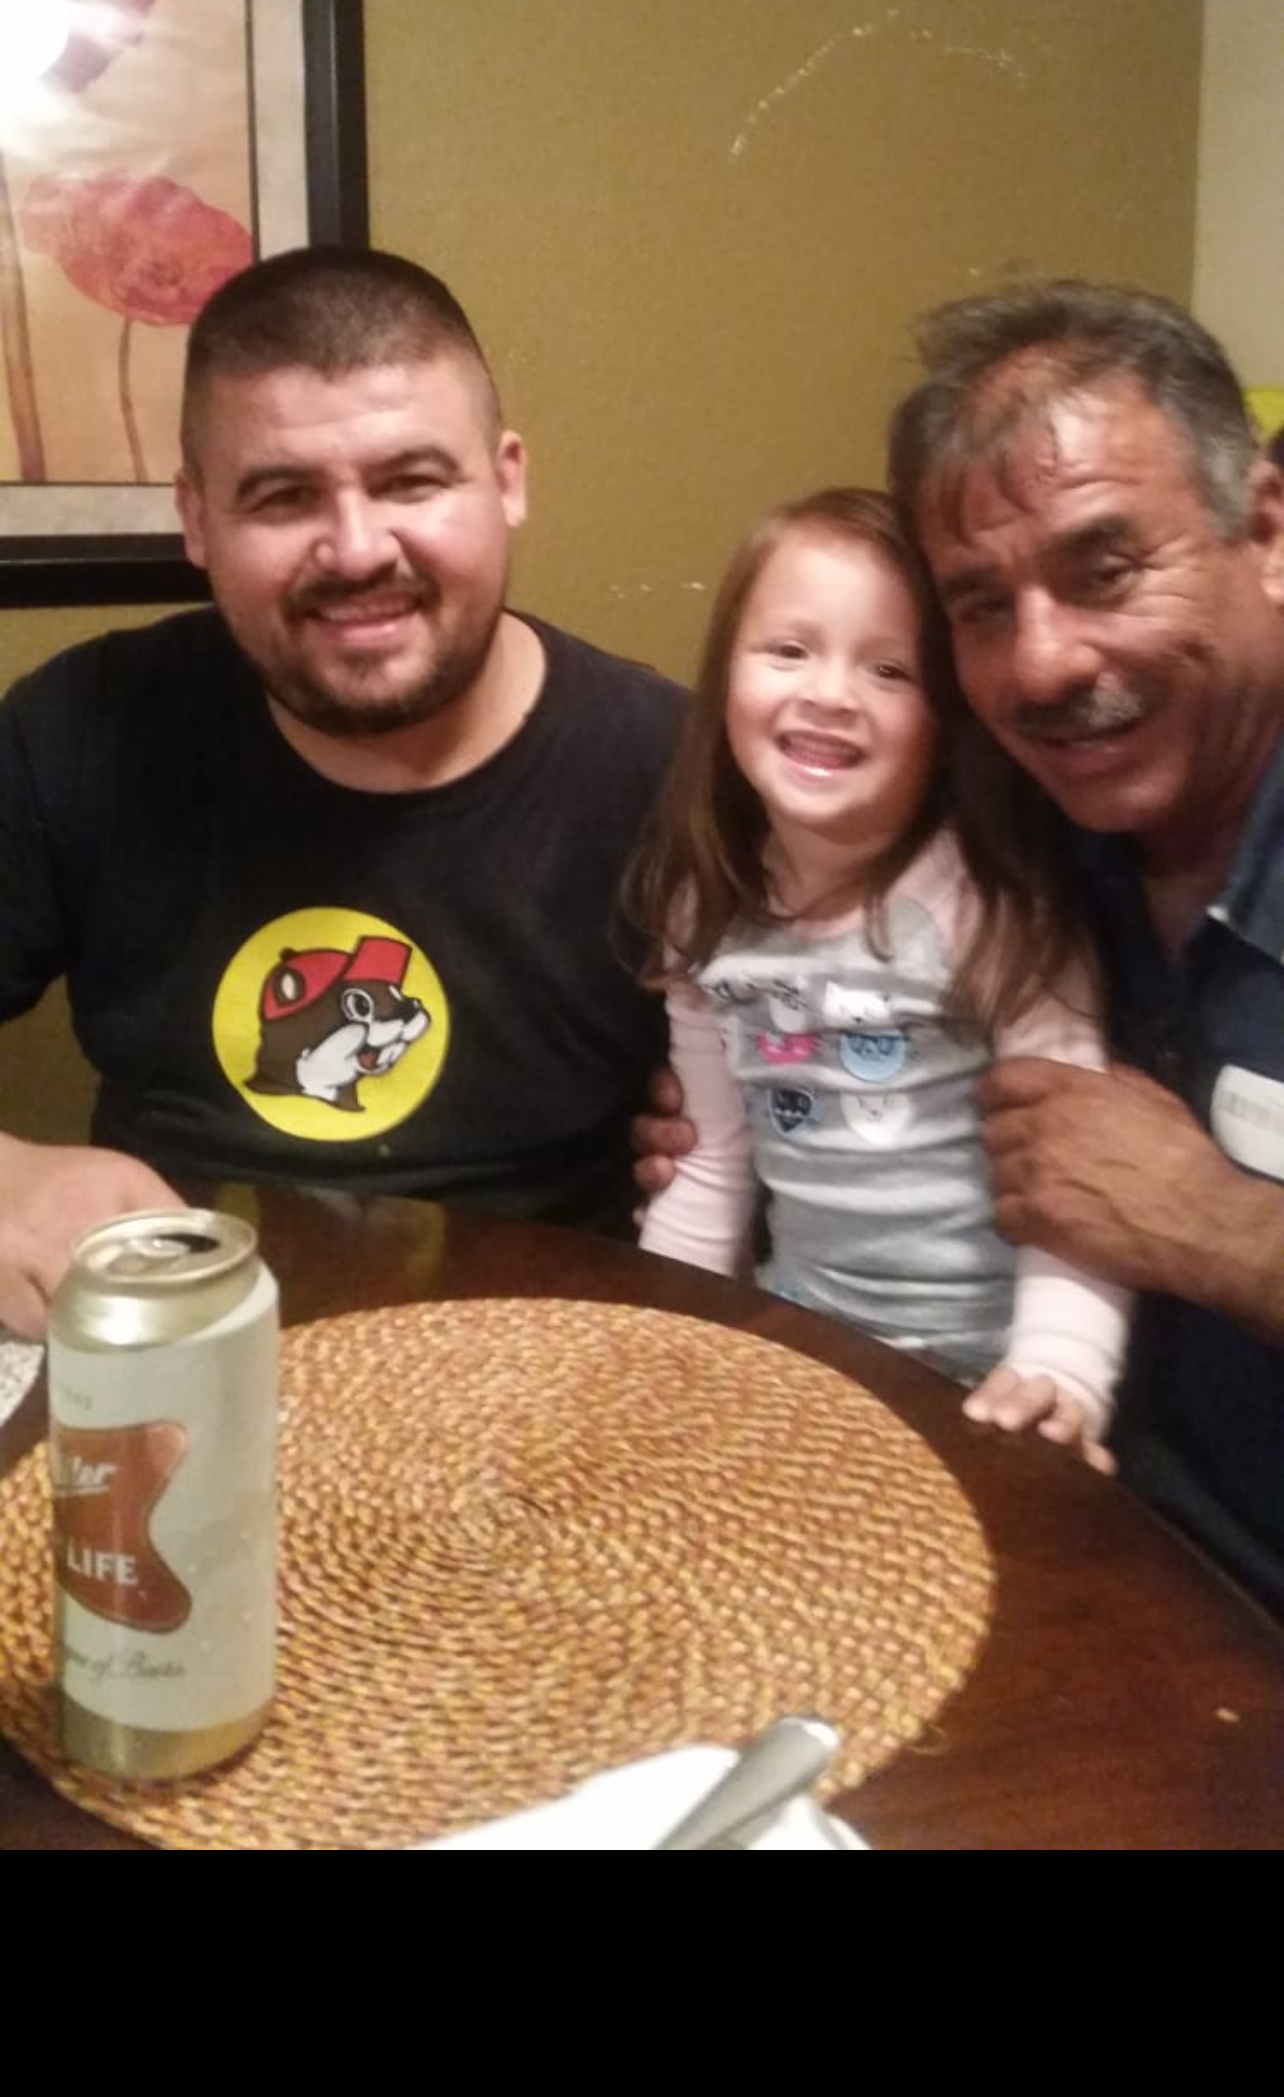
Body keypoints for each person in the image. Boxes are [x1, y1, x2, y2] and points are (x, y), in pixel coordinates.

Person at [634, 281, 1284, 1615]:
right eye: (982, 606)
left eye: (1106, 569)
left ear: (1266, 529)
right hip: (1065, 1538)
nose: (1042, 664)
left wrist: (1221, 1229)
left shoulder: (1023, 863)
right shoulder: (1039, 829)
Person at [0, 248, 685, 1338]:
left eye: (412, 481)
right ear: (196, 519)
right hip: (182, 1355)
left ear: (506, 480)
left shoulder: (677, 770)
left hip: (556, 1368)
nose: (358, 550)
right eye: (283, 496)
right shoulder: (78, 729)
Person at [631, 486, 1129, 1459]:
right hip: (805, 1354)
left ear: (947, 720)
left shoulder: (989, 904)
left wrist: (1061, 1371)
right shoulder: (703, 908)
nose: (830, 693)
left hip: (992, 1378)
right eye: (789, 650)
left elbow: (1080, 1172)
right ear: (725, 673)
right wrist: (657, 1338)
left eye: (890, 669)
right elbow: (711, 1162)